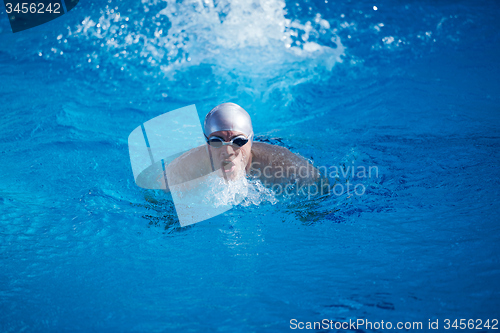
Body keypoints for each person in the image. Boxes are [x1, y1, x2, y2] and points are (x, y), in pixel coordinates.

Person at [163, 102, 328, 195]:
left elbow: (323, 188)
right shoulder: (182, 170)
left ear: (250, 140)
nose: (228, 151)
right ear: (206, 142)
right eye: (216, 141)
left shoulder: (284, 164)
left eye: (238, 141)